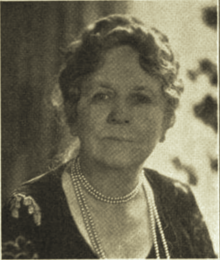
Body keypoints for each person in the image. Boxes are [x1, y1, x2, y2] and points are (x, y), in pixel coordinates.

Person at [2, 14, 216, 259]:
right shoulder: (29, 209)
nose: (120, 115)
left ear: (167, 120)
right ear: (73, 113)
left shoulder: (179, 203)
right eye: (102, 96)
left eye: (140, 98)